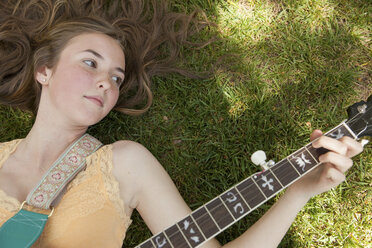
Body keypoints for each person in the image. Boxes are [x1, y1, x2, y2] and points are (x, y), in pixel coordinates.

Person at [0, 0, 364, 247]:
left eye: (116, 77)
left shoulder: (124, 163)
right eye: (91, 63)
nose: (105, 82)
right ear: (44, 71)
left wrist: (298, 192)